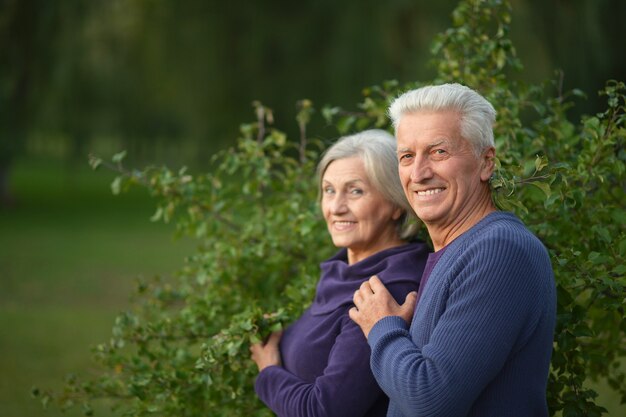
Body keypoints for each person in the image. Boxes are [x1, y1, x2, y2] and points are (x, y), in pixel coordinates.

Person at [350, 84, 557, 417]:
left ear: (486, 162)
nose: (418, 173)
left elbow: (429, 399)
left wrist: (382, 327)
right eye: (406, 156)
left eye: (438, 152)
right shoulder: (457, 249)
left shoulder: (500, 250)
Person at [250, 129, 430, 417]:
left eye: (355, 191)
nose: (336, 207)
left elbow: (326, 410)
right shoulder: (343, 271)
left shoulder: (383, 292)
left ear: (396, 204)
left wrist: (268, 370)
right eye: (329, 190)